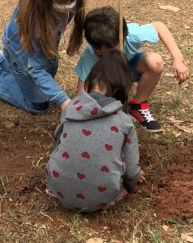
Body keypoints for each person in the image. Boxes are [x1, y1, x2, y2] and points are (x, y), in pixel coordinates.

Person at [46, 51, 145, 212]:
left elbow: (57, 143)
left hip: (58, 187)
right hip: (102, 197)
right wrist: (134, 179)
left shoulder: (70, 109)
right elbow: (132, 170)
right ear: (122, 88)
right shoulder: (124, 121)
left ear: (90, 81)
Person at [75, 6, 190, 133]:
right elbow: (81, 92)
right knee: (97, 91)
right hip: (106, 78)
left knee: (155, 61)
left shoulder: (131, 35)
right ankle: (111, 110)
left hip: (129, 68)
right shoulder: (90, 56)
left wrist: (178, 58)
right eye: (113, 49)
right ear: (98, 50)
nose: (119, 49)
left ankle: (137, 105)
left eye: (120, 43)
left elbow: (159, 27)